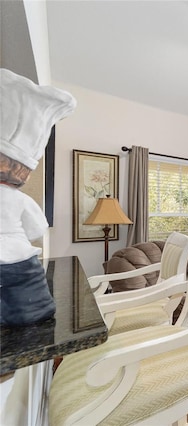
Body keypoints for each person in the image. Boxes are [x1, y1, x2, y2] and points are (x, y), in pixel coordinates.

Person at [0, 69, 76, 326]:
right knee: (30, 306)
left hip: (19, 263)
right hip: (20, 261)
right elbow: (37, 227)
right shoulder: (17, 199)